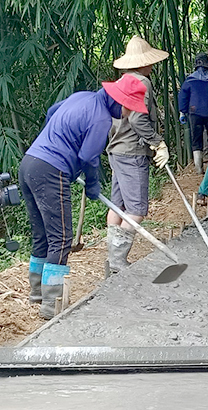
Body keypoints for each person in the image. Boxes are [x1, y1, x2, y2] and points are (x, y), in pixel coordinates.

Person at [18, 74, 148, 319]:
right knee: (62, 237)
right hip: (50, 170)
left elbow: (51, 111)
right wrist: (92, 183)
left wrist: (53, 140)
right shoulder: (101, 119)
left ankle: (37, 291)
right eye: (130, 110)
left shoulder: (82, 98)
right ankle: (51, 304)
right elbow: (89, 157)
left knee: (42, 234)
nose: (129, 115)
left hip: (29, 163)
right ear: (120, 103)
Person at [106, 35, 170, 274]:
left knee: (117, 206)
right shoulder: (142, 82)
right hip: (132, 152)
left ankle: (112, 259)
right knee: (137, 209)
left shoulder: (121, 82)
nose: (152, 66)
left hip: (116, 149)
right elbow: (138, 119)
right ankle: (118, 261)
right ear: (144, 63)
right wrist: (157, 142)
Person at [178, 53, 208, 174]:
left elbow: (183, 98)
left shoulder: (189, 81)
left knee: (196, 139)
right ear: (207, 65)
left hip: (195, 113)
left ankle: (198, 167)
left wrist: (182, 113)